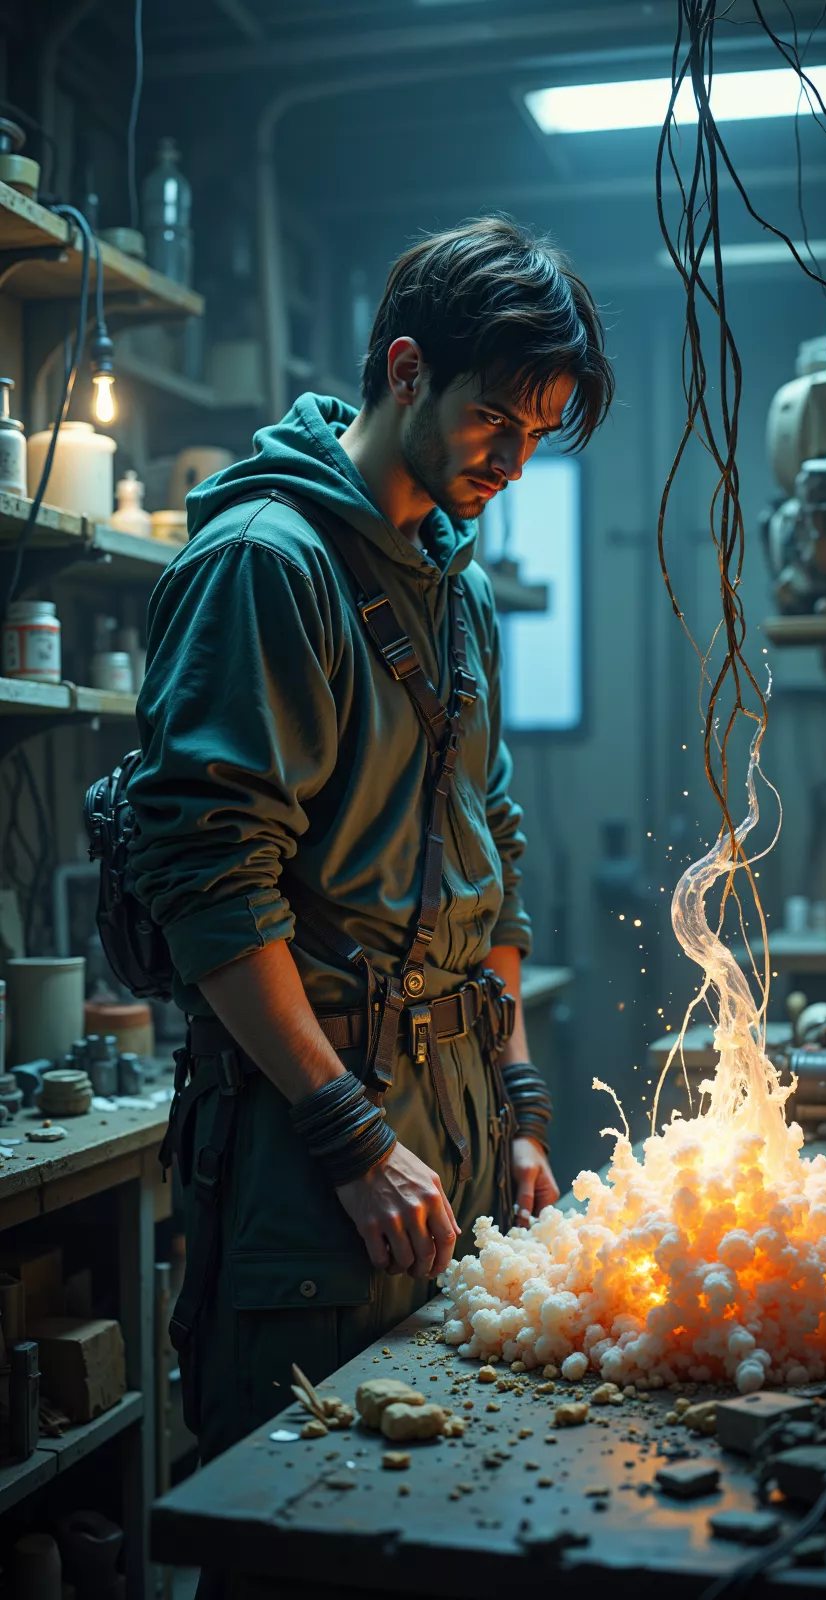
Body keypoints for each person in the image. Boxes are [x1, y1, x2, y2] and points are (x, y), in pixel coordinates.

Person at [129, 215, 615, 1475]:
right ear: (407, 371)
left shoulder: (457, 589)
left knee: (447, 1486)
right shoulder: (266, 565)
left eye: (535, 434)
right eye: (492, 420)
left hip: (454, 1123)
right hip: (314, 1134)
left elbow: (492, 857)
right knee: (300, 1497)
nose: (512, 463)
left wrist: (518, 1106)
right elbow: (209, 880)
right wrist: (350, 1136)